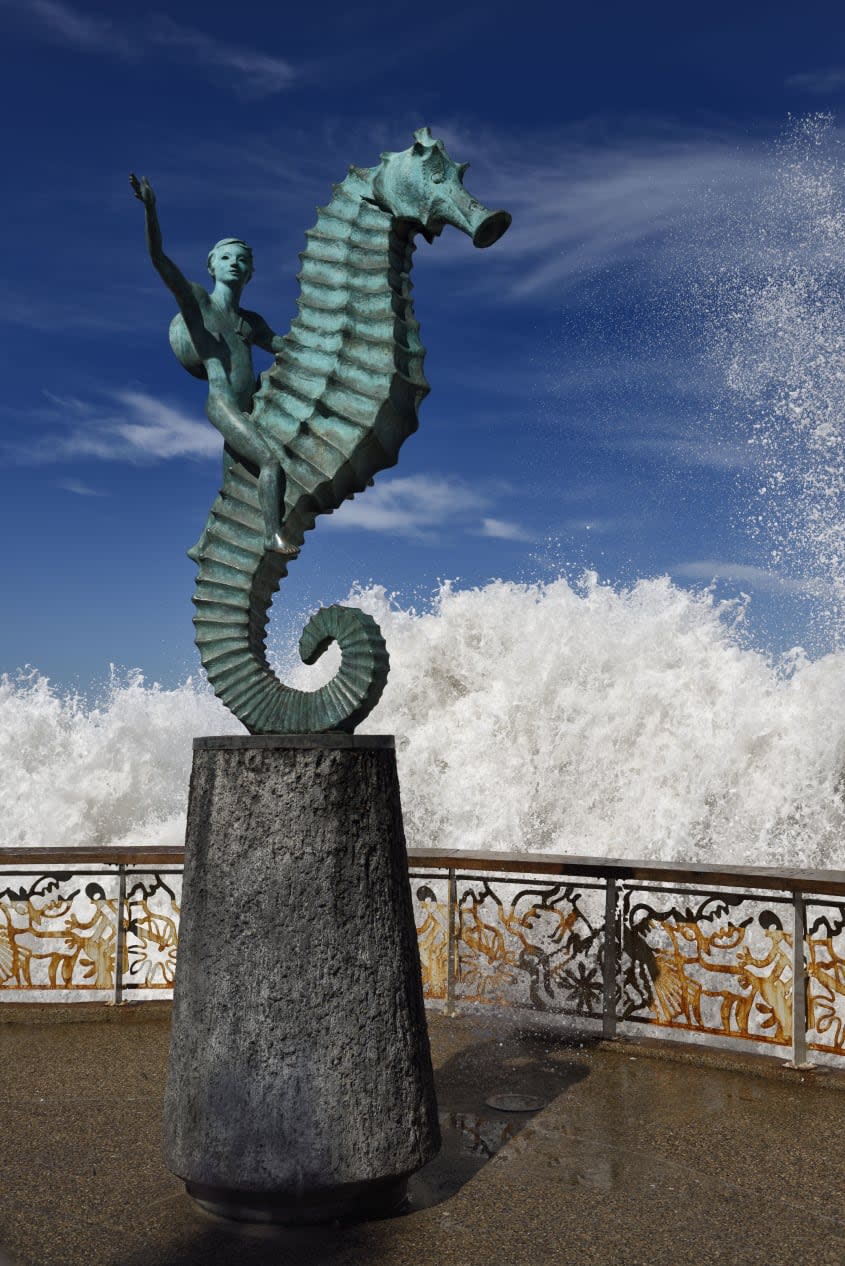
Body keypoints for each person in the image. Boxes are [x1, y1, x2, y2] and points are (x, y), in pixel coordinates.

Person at [130, 173, 296, 554]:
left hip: (252, 408)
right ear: (212, 267)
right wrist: (151, 209)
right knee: (270, 461)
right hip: (223, 404)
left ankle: (205, 545)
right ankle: (272, 536)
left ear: (251, 272)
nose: (234, 264)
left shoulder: (251, 322)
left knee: (234, 489)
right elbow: (159, 260)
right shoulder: (201, 305)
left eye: (242, 260)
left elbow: (287, 347)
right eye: (226, 258)